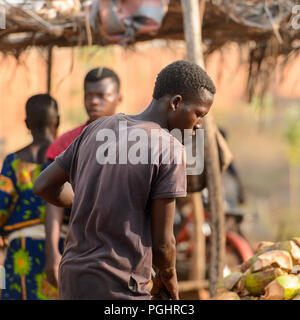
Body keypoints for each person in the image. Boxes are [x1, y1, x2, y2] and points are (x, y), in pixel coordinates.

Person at [34, 60, 216, 300]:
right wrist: (168, 276)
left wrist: (83, 201)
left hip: (73, 277)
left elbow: (43, 185)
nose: (199, 125)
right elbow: (163, 243)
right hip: (121, 284)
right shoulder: (168, 148)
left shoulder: (97, 129)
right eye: (199, 114)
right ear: (176, 103)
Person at [44, 67, 122, 288]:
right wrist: (53, 254)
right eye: (89, 96)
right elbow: (53, 201)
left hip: (125, 246)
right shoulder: (65, 143)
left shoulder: (135, 141)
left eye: (102, 96)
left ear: (118, 98)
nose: (94, 102)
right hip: (78, 246)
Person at [0, 94, 60, 300]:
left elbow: (1, 206)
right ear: (57, 121)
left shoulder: (13, 163)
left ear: (26, 123)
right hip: (64, 249)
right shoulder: (68, 158)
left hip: (22, 252)